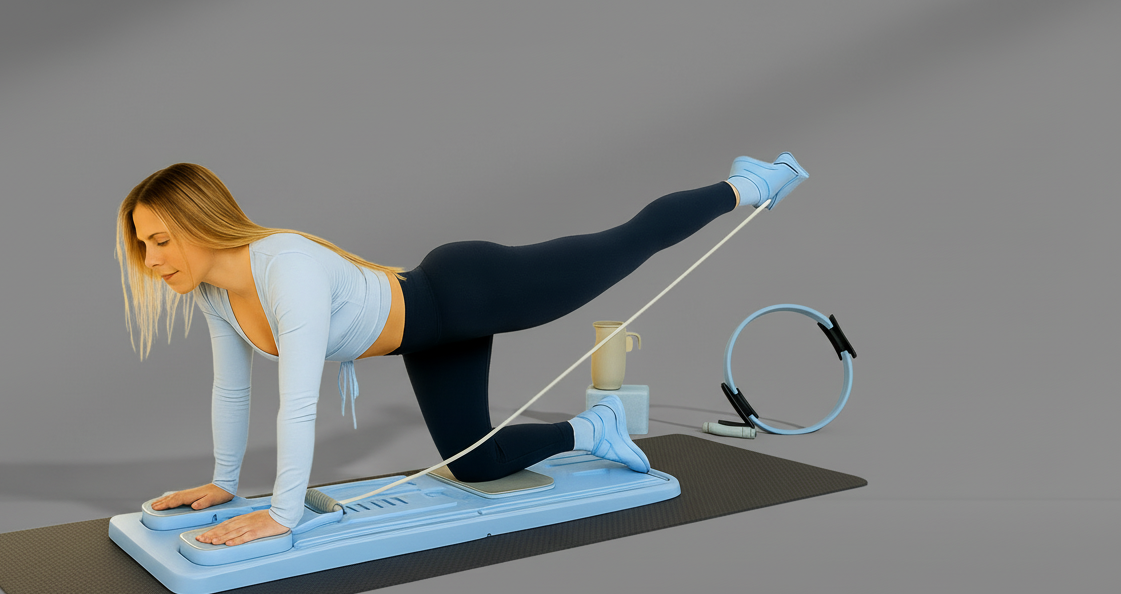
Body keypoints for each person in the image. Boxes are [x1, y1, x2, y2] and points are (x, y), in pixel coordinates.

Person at [116, 154, 807, 547]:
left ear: (200, 223)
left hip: (469, 289)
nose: (151, 260)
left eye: (160, 240)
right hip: (431, 338)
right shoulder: (211, 294)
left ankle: (747, 183)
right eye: (142, 246)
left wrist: (281, 514)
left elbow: (297, 403)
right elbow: (231, 390)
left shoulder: (283, 268)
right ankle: (594, 430)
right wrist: (226, 482)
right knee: (474, 464)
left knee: (624, 244)